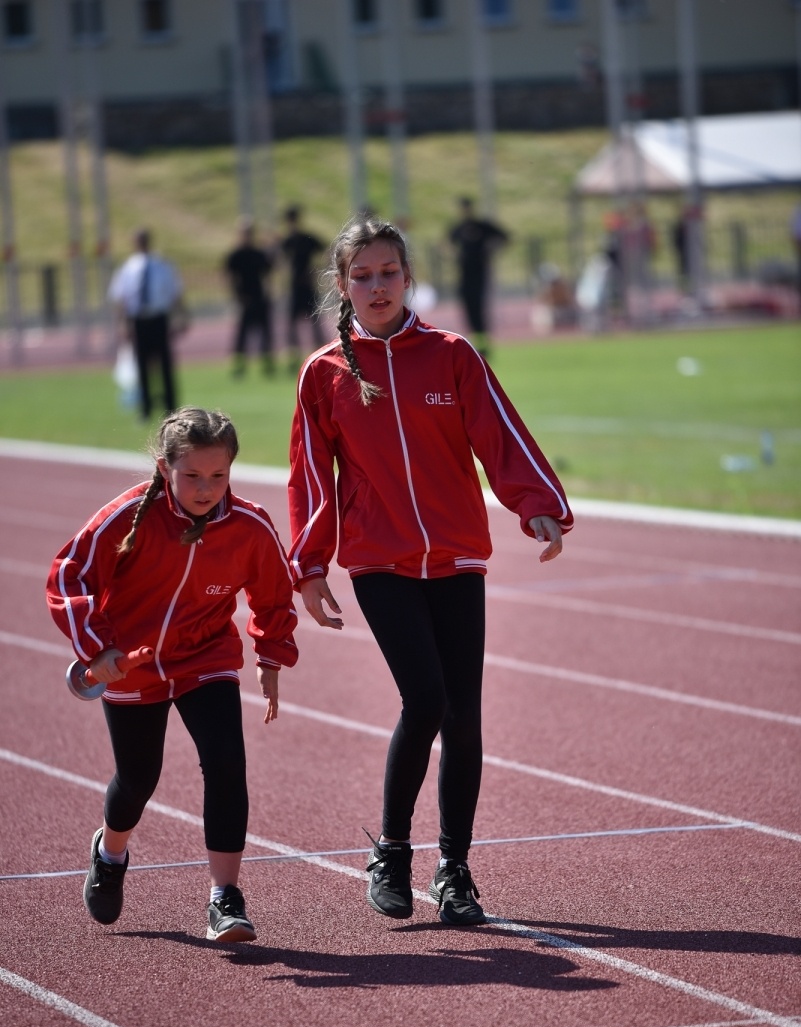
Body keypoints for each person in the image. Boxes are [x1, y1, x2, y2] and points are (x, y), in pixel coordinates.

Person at [287, 215, 572, 927]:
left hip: (455, 555)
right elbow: (310, 476)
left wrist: (537, 506)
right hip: (378, 560)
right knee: (426, 700)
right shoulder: (323, 372)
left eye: (388, 272)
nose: (377, 286)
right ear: (342, 285)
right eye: (362, 275)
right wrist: (310, 565)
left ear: (408, 277)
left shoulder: (451, 354)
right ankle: (390, 852)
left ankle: (455, 870)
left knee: (464, 714)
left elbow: (499, 435)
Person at [46, 408, 299, 942]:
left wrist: (271, 656)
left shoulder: (249, 526)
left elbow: (274, 593)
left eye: (218, 475)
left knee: (226, 762)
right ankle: (110, 853)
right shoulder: (126, 517)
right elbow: (69, 574)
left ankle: (225, 897)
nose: (206, 489)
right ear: (165, 469)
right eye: (192, 476)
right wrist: (98, 647)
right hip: (132, 663)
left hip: (205, 657)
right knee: (138, 779)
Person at [108, 229, 187, 420]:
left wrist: (182, 315)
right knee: (142, 365)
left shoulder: (161, 265)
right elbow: (121, 298)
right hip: (138, 320)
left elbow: (174, 292)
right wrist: (123, 323)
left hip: (158, 318)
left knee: (165, 363)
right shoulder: (128, 268)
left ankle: (170, 406)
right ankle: (146, 407)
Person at [448, 196, 509, 358]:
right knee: (468, 308)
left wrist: (491, 250)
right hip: (464, 274)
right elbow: (446, 243)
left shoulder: (481, 226)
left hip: (480, 273)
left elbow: (504, 237)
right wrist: (455, 255)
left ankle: (484, 344)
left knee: (480, 307)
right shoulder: (459, 228)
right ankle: (475, 342)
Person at [222, 217, 277, 377]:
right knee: (242, 334)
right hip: (244, 299)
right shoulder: (236, 255)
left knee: (265, 332)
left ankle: (267, 363)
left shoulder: (258, 254)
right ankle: (240, 366)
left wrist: (268, 295)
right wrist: (236, 296)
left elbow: (268, 273)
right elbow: (230, 278)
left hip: (259, 297)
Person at [281, 205, 326, 374]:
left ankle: (321, 355)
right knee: (292, 324)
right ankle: (294, 356)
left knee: (315, 323)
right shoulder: (287, 241)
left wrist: (318, 271)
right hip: (294, 287)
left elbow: (327, 251)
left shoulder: (307, 239)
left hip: (307, 286)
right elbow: (279, 260)